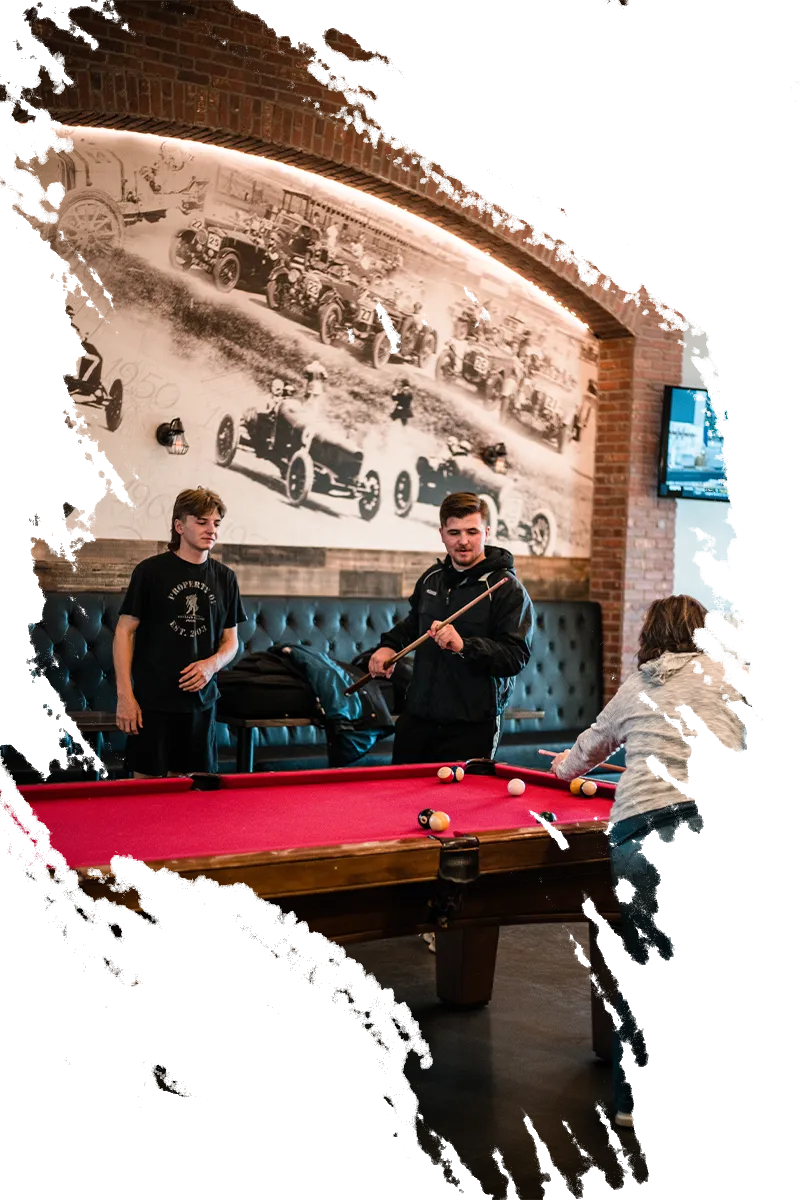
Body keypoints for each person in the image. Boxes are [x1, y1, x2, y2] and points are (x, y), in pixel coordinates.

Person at [548, 594, 752, 1126]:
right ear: (705, 634)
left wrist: (561, 767)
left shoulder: (636, 686)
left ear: (649, 635)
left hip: (639, 832)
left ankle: (633, 1103)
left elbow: (579, 759)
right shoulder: (733, 679)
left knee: (648, 967)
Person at [369, 491, 534, 765]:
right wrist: (388, 646)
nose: (463, 541)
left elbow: (515, 657)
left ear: (487, 532)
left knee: (460, 807)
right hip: (418, 717)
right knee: (399, 801)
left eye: (472, 531)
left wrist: (463, 646)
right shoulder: (432, 579)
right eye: (454, 532)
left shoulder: (506, 588)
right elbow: (414, 623)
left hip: (472, 724)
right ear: (442, 533)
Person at [113, 487, 247, 778]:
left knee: (193, 799)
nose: (211, 530)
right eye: (202, 521)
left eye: (216, 523)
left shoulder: (226, 578)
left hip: (201, 704)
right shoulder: (149, 572)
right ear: (179, 525)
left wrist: (211, 665)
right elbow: (124, 632)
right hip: (152, 702)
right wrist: (125, 696)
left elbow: (231, 641)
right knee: (146, 795)